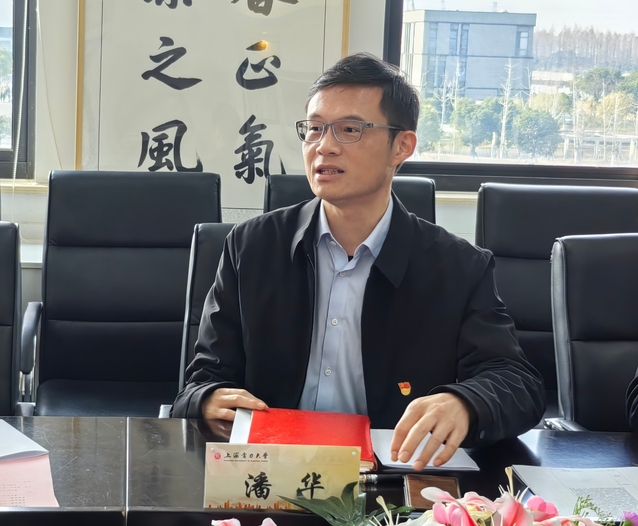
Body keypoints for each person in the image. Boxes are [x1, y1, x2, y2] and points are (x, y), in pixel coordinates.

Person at [171, 52, 545, 469]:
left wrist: (465, 402)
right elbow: (203, 379)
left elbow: (518, 384)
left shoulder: (457, 266)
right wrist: (208, 399)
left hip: (390, 479)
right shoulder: (252, 247)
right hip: (269, 472)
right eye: (314, 129)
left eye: (350, 130)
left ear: (401, 146)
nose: (324, 146)